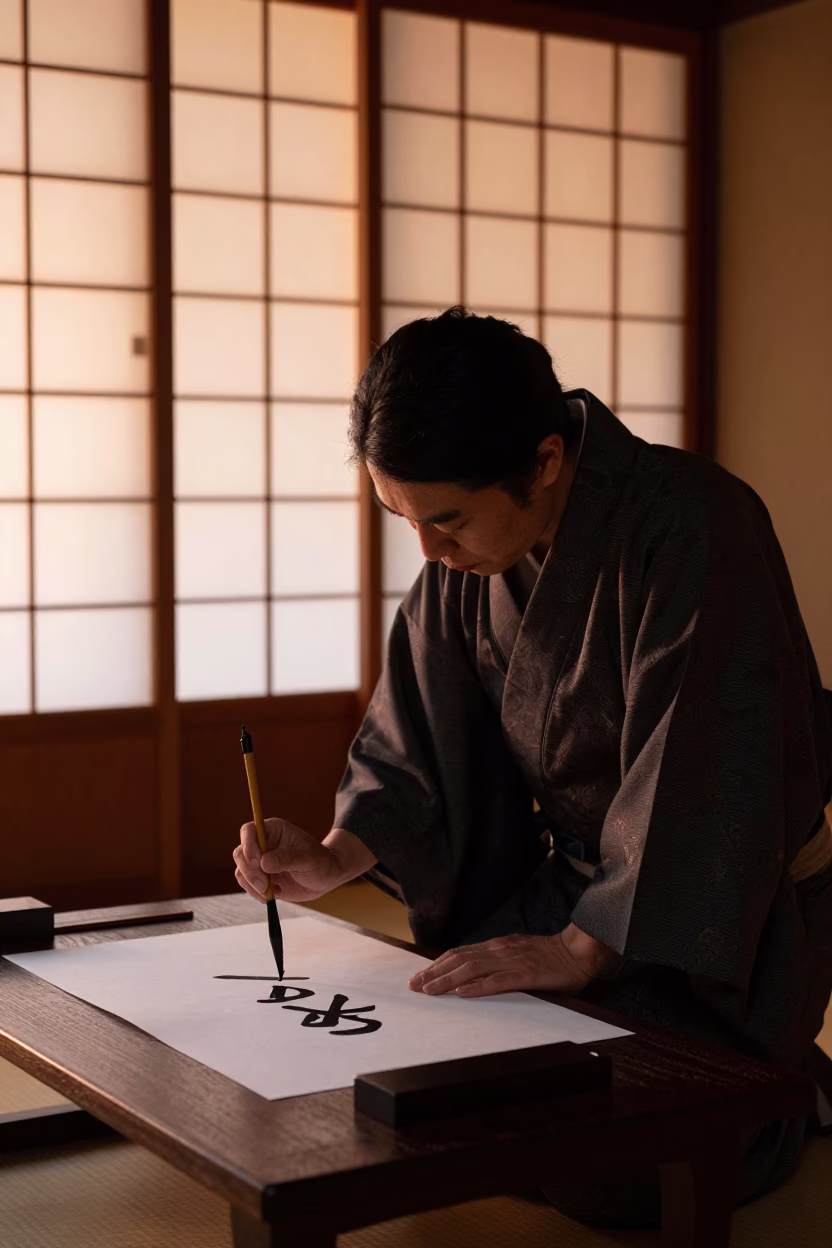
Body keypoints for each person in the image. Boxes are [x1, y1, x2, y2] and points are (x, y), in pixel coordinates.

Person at [234, 308, 832, 1223]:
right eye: (404, 519)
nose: (428, 553)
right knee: (430, 1094)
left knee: (617, 1166)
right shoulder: (468, 560)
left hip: (713, 916)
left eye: (446, 521)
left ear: (545, 461)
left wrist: (576, 947)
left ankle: (793, 1099)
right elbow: (420, 740)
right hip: (577, 892)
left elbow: (708, 779)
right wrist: (338, 853)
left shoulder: (696, 527)